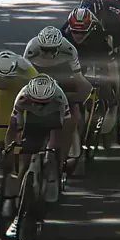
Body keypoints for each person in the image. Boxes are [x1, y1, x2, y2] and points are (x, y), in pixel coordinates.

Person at [23, 26, 92, 167]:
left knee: (73, 117)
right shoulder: (31, 48)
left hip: (63, 76)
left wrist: (77, 99)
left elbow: (79, 80)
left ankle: (61, 160)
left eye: (52, 50)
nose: (48, 53)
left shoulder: (70, 50)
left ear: (59, 46)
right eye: (45, 49)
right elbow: (24, 77)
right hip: (39, 74)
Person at [3, 74, 71, 211]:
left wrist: (61, 157)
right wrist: (8, 148)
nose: (40, 106)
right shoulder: (22, 96)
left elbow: (65, 129)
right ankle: (17, 197)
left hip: (54, 118)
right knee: (24, 161)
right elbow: (13, 127)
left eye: (44, 103)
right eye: (36, 102)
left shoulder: (59, 96)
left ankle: (54, 177)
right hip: (31, 121)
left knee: (52, 154)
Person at [79, 0, 120, 107]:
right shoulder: (80, 14)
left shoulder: (114, 9)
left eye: (97, 16)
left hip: (116, 31)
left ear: (102, 11)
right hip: (96, 34)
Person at [61, 8, 119, 129]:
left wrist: (112, 86)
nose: (78, 36)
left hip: (93, 56)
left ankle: (109, 108)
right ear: (70, 28)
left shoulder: (99, 36)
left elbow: (110, 65)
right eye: (75, 32)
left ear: (90, 28)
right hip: (73, 59)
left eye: (82, 33)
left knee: (106, 87)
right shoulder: (63, 34)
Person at [0, 50, 38, 149]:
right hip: (1, 93)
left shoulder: (29, 73)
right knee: (2, 141)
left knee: (25, 140)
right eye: (3, 78)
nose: (6, 80)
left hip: (23, 90)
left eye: (9, 78)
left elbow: (38, 100)